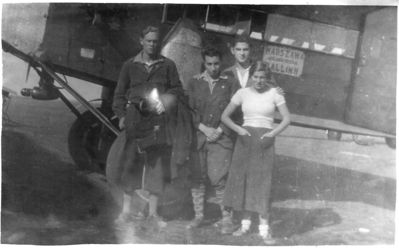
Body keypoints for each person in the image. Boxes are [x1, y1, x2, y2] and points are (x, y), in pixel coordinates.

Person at [107, 25, 192, 227]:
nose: (153, 44)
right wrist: (121, 116)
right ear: (141, 41)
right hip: (135, 119)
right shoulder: (130, 65)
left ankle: (153, 214)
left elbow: (177, 90)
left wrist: (165, 101)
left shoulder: (168, 65)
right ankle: (126, 212)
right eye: (149, 40)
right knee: (130, 164)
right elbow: (119, 94)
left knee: (155, 167)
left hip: (157, 121)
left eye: (156, 41)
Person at [221, 61, 291, 244]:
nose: (259, 80)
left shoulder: (275, 93)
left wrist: (272, 134)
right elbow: (224, 116)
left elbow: (287, 119)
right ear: (251, 77)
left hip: (264, 141)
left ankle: (264, 229)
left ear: (268, 78)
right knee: (244, 181)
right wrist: (239, 130)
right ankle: (244, 226)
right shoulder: (242, 93)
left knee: (262, 183)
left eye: (263, 77)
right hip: (245, 139)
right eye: (256, 77)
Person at [185, 47, 240, 233]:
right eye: (209, 64)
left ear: (221, 62)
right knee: (197, 176)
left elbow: (236, 112)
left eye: (216, 63)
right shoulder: (194, 82)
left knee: (220, 178)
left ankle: (226, 219)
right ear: (204, 63)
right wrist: (202, 128)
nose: (213, 67)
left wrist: (219, 130)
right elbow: (189, 111)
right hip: (199, 136)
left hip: (221, 138)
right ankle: (199, 216)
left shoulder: (231, 83)